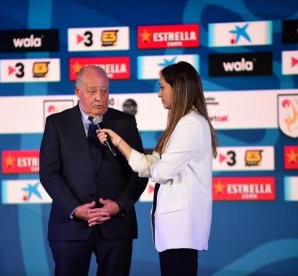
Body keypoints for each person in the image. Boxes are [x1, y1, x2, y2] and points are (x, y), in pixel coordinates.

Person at [97, 61, 217, 276]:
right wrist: (119, 142)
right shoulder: (182, 123)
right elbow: (149, 165)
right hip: (177, 231)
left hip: (182, 230)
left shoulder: (190, 124)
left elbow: (161, 172)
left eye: (162, 87)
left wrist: (152, 163)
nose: (159, 94)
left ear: (178, 89)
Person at [39, 65, 148, 276]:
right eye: (92, 91)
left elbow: (138, 171)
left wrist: (119, 205)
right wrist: (75, 209)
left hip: (115, 227)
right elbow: (49, 173)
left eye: (104, 91)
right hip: (70, 228)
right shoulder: (57, 123)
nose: (99, 97)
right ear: (78, 92)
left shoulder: (125, 122)